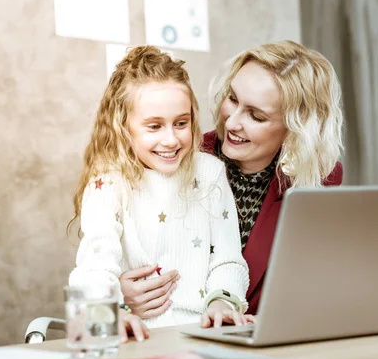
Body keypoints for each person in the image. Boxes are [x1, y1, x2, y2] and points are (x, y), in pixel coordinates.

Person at [119, 40, 344, 324]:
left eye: (256, 115)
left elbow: (314, 285)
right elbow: (110, 257)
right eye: (233, 99)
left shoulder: (318, 179)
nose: (232, 122)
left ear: (295, 129)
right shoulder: (173, 156)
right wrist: (119, 298)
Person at [68, 46, 253, 343]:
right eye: (154, 126)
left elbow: (228, 259)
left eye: (181, 123)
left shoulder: (210, 173)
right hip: (140, 339)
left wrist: (223, 303)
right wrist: (112, 312)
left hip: (203, 337)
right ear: (122, 127)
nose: (171, 139)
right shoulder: (108, 182)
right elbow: (94, 266)